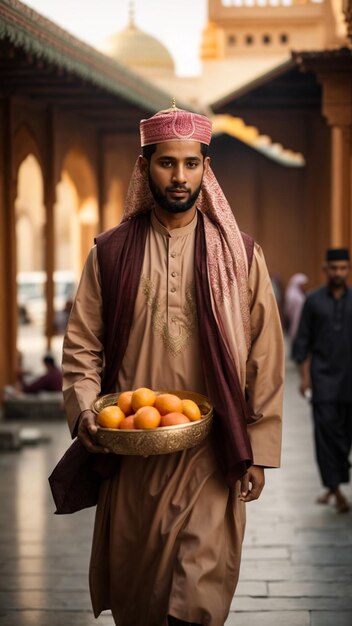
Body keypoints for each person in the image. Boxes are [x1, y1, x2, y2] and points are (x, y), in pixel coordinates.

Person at [59, 105, 284, 626]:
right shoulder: (109, 254)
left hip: (211, 456)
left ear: (206, 169)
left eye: (190, 163)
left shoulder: (241, 256)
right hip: (133, 456)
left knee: (196, 602)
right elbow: (82, 348)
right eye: (166, 163)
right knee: (141, 603)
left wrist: (259, 448)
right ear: (145, 168)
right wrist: (85, 410)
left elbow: (266, 358)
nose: (179, 176)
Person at [292, 248, 352, 513]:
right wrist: (305, 379)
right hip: (323, 381)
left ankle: (334, 483)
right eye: (334, 268)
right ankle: (336, 488)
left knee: (345, 437)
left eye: (343, 268)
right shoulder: (313, 301)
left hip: (351, 382)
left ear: (348, 270)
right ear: (325, 269)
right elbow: (303, 342)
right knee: (325, 435)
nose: (338, 272)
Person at [283, 272, 309, 346]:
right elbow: (288, 310)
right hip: (294, 320)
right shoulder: (293, 295)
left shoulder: (300, 294)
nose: (304, 287)